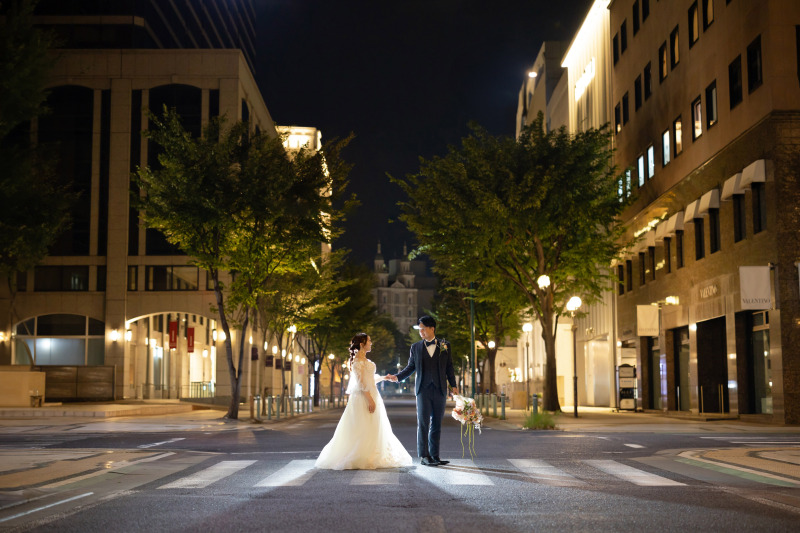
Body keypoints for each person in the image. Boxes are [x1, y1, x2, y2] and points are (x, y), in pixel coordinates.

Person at [315, 333, 412, 470]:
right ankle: (361, 455)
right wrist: (369, 399)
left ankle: (372, 453)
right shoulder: (356, 362)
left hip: (373, 394)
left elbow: (370, 380)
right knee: (362, 425)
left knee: (374, 425)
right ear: (362, 344)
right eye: (369, 341)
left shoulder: (366, 361)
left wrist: (384, 378)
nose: (371, 343)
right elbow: (360, 383)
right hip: (363, 397)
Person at [386, 315, 458, 467]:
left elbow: (449, 367)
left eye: (423, 329)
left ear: (432, 328)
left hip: (440, 389)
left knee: (437, 423)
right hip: (423, 390)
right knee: (424, 423)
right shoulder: (416, 347)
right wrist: (397, 377)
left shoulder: (445, 345)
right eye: (420, 330)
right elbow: (410, 367)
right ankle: (424, 456)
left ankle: (435, 456)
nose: (421, 332)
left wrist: (454, 386)